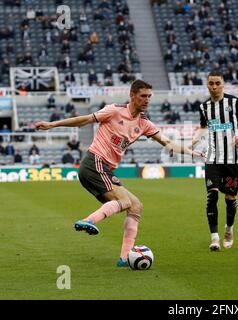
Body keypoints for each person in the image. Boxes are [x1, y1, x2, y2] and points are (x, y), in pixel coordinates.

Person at [35, 80, 203, 267]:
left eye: (149, 96)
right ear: (132, 95)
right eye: (142, 96)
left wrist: (190, 151)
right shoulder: (114, 110)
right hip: (95, 162)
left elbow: (168, 143)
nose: (147, 100)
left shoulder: (144, 123)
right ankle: (88, 220)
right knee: (125, 201)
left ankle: (124, 258)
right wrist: (52, 125)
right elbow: (84, 120)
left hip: (104, 169)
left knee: (136, 206)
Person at [191, 70, 238, 251]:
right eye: (211, 83)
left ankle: (229, 229)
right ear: (207, 84)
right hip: (213, 158)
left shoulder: (234, 102)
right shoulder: (204, 107)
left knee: (230, 198)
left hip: (233, 159)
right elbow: (203, 127)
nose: (214, 87)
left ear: (223, 84)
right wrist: (195, 138)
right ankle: (214, 238)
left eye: (217, 83)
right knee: (212, 196)